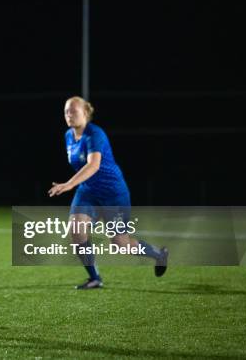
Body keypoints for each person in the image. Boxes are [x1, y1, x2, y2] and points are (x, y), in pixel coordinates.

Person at [48, 96, 168, 289]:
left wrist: (69, 184)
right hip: (88, 191)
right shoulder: (68, 136)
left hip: (113, 193)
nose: (69, 115)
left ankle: (159, 254)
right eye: (66, 111)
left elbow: (93, 165)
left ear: (86, 112)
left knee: (120, 243)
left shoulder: (95, 134)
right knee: (76, 229)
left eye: (74, 111)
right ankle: (95, 278)